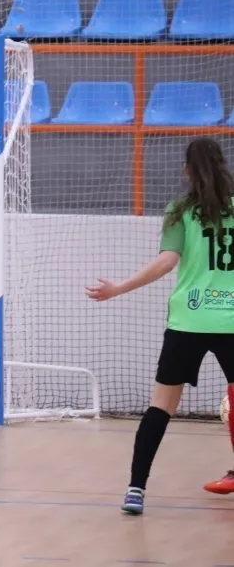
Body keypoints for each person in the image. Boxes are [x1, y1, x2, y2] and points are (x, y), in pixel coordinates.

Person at [86, 137, 234, 515]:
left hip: (189, 320)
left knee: (161, 407)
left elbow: (167, 262)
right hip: (231, 319)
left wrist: (119, 288)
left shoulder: (180, 210)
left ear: (186, 170)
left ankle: (136, 489)